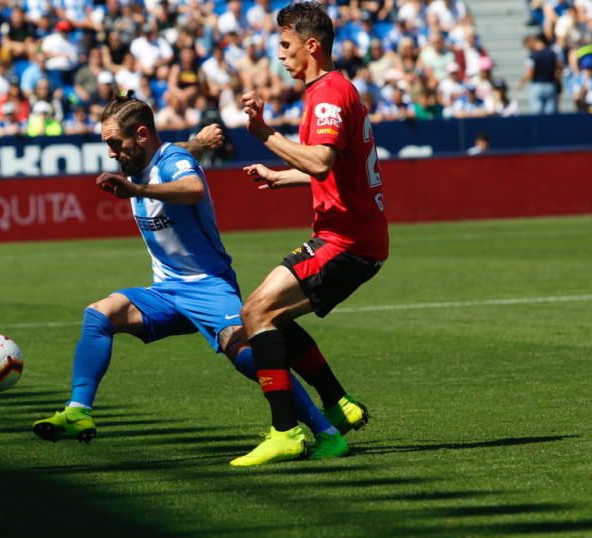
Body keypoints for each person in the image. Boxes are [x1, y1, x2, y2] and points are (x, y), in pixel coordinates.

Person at [32, 91, 344, 457]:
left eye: (115, 143)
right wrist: (201, 141)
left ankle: (326, 433)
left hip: (208, 285)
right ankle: (78, 412)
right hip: (167, 291)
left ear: (142, 135)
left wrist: (136, 189)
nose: (112, 153)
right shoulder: (148, 158)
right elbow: (176, 148)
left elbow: (193, 188)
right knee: (99, 315)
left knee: (248, 356)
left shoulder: (164, 166)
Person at [234, 1, 388, 466]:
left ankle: (285, 431)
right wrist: (280, 176)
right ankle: (337, 405)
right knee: (269, 315)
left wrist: (264, 133)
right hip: (353, 237)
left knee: (256, 312)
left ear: (311, 46)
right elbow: (334, 169)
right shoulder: (333, 90)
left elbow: (320, 160)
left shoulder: (326, 96)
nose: (279, 54)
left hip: (347, 241)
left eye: (285, 45)